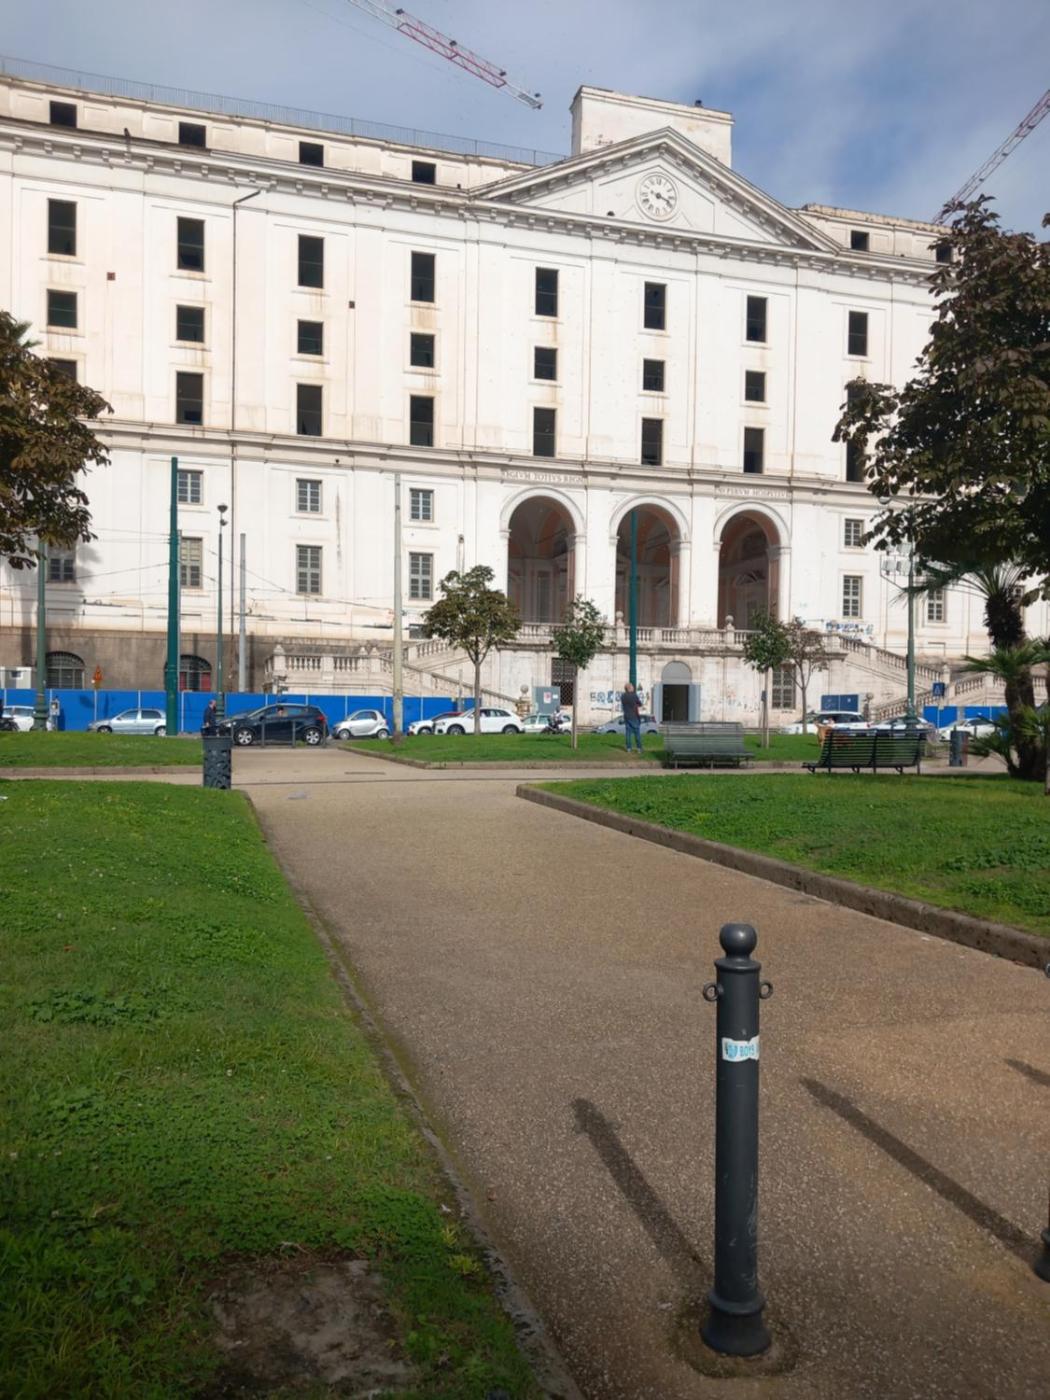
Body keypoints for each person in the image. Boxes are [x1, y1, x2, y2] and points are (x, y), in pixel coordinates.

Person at [621, 681, 643, 754]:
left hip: (626, 716)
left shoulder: (623, 696)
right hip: (634, 716)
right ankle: (639, 748)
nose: (633, 688)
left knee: (628, 733)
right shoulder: (634, 695)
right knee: (637, 733)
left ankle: (629, 748)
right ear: (629, 688)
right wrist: (636, 704)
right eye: (632, 687)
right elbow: (640, 704)